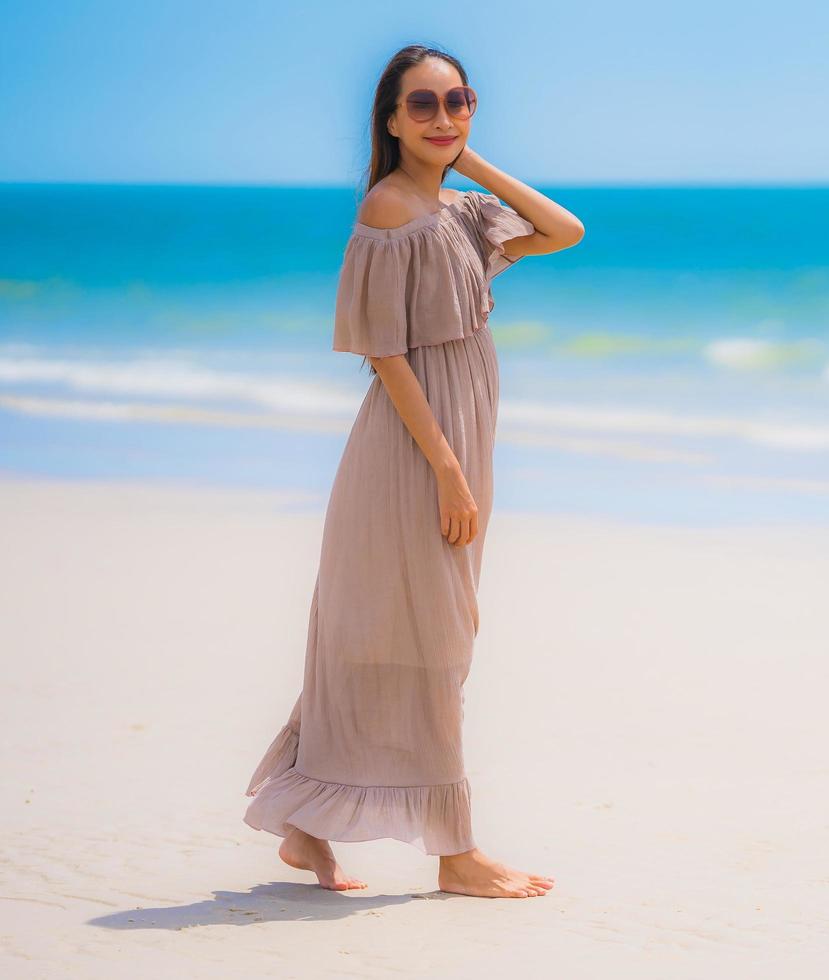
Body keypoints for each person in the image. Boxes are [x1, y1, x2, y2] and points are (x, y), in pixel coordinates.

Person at [243, 44, 583, 898]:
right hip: (416, 449)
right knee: (431, 639)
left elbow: (563, 229)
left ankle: (305, 822)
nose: (442, 117)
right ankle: (456, 852)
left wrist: (466, 158)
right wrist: (449, 472)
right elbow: (384, 354)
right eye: (422, 105)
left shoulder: (459, 211)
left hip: (458, 440)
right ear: (389, 118)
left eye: (458, 101)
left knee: (411, 635)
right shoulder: (391, 213)